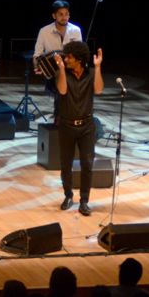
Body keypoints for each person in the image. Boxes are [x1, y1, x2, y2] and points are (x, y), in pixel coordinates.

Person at [53, 41, 104, 216]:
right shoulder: (61, 73)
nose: (66, 59)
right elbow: (62, 91)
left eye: (69, 57)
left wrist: (98, 67)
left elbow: (98, 90)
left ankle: (84, 201)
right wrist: (61, 69)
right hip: (66, 125)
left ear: (79, 60)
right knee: (66, 164)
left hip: (87, 126)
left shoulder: (91, 74)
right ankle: (68, 196)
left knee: (87, 164)